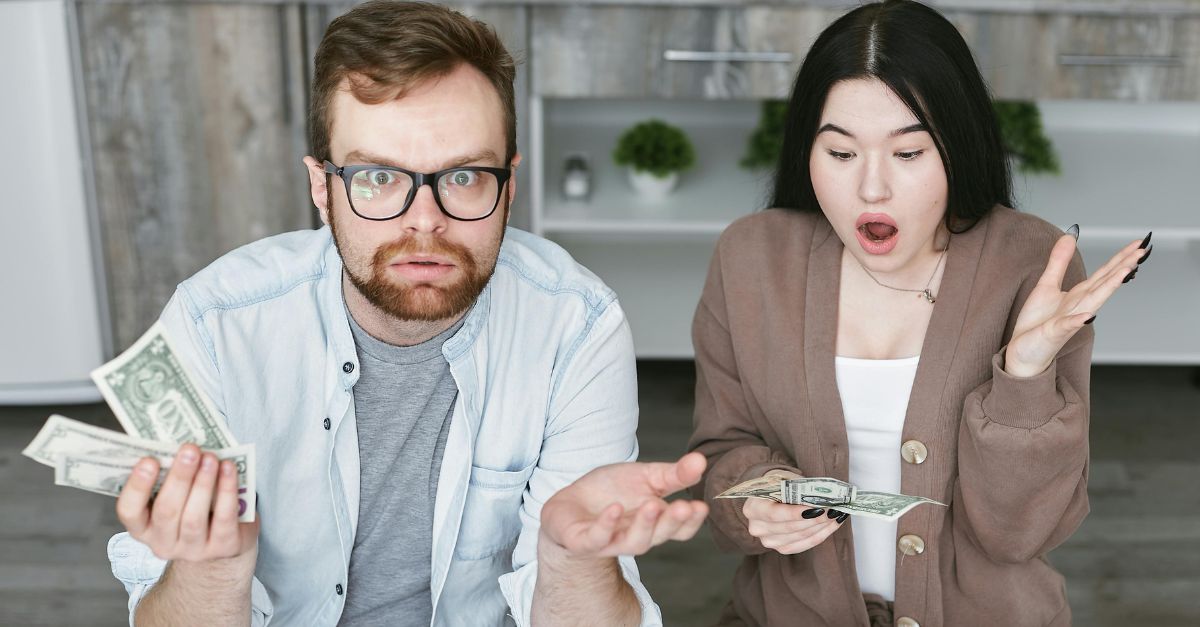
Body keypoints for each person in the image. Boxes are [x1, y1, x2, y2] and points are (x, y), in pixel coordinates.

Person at [106, 2, 706, 625]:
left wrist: (571, 561)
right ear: (321, 187)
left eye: (465, 177)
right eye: (377, 177)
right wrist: (211, 569)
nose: (425, 221)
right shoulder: (211, 326)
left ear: (509, 185)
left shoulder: (577, 328)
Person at [686, 1, 1151, 625]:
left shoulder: (1032, 264)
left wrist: (1025, 373)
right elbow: (718, 457)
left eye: (908, 154)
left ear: (957, 148)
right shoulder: (750, 258)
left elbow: (1020, 533)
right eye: (841, 153)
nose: (871, 188)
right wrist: (759, 498)